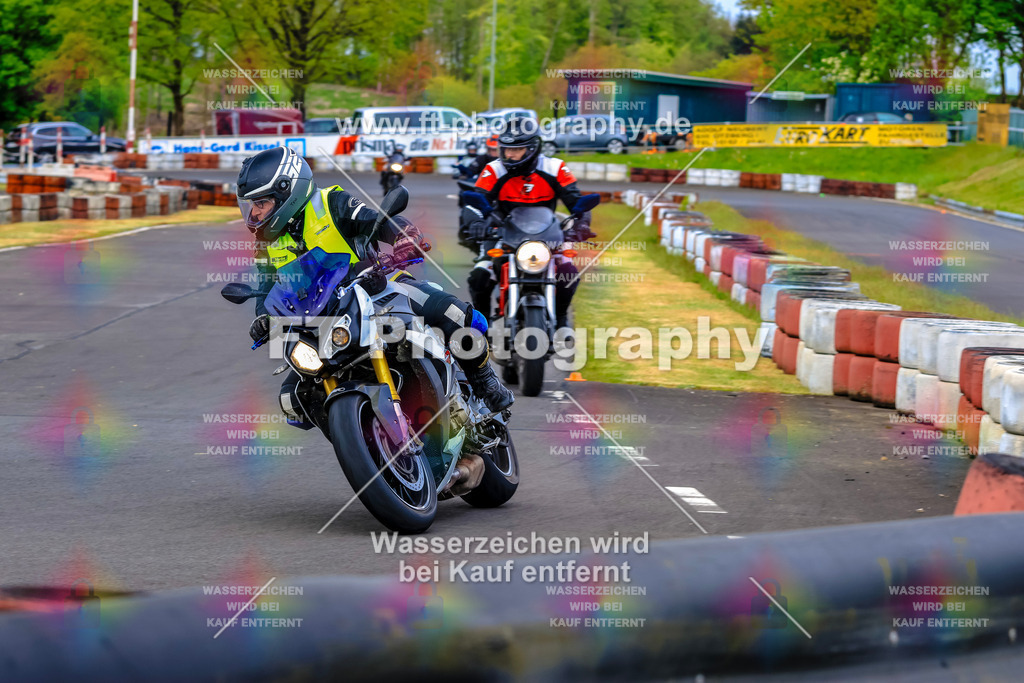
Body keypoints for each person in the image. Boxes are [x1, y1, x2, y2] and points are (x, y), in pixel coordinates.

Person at [237, 146, 514, 419]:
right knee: (294, 399)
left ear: (288, 192)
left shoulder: (330, 204)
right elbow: (266, 289)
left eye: (261, 203)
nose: (255, 213)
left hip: (378, 289)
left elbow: (377, 222)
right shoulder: (266, 244)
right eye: (251, 205)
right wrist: (263, 317)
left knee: (454, 314)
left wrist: (403, 236)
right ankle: (361, 439)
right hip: (320, 322)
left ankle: (484, 380)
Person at [461, 118, 596, 327]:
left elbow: (578, 203)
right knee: (479, 276)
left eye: (517, 149)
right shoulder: (493, 170)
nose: (509, 155)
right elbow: (475, 204)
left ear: (533, 148)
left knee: (568, 272)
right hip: (502, 234)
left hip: (547, 235)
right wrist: (476, 223)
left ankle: (561, 318)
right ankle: (481, 330)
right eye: (506, 149)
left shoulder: (556, 167)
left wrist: (582, 224)